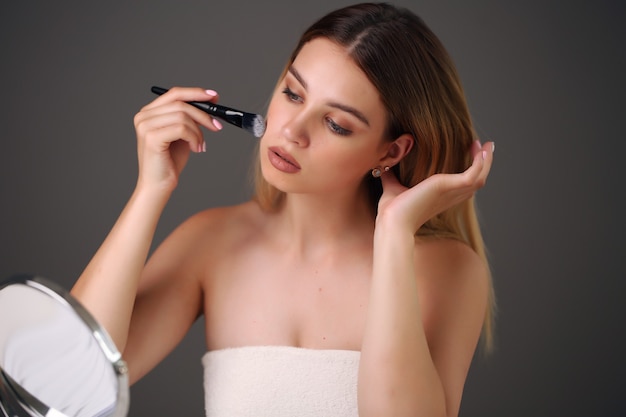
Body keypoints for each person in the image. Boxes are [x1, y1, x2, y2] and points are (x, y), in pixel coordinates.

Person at [71, 2, 495, 416]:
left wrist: (394, 235)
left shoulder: (447, 271)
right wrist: (150, 189)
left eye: (336, 124)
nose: (291, 130)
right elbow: (74, 381)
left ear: (391, 150)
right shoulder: (212, 243)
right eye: (292, 93)